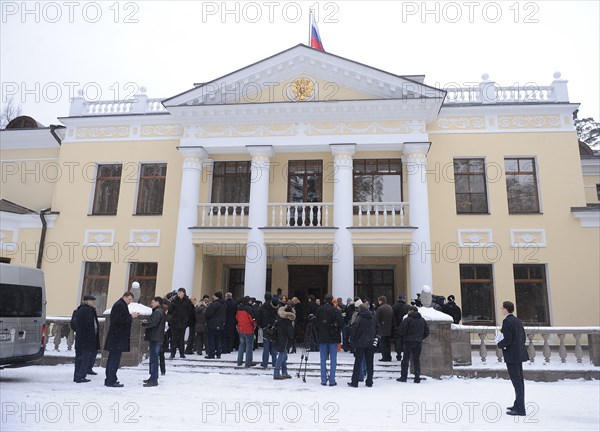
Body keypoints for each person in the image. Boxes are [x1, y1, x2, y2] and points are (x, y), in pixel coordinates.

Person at [497, 300, 529, 416]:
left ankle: (520, 409)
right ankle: (518, 404)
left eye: (502, 308)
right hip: (519, 354)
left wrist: (499, 344)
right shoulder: (517, 320)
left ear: (505, 309)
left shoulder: (507, 321)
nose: (501, 310)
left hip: (512, 355)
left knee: (516, 382)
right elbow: (523, 337)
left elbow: (507, 340)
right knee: (519, 381)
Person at [104, 292, 139, 387]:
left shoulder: (120, 304)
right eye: (129, 299)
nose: (130, 301)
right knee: (114, 360)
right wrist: (130, 316)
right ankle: (110, 380)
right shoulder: (120, 305)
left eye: (131, 299)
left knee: (113, 359)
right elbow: (118, 320)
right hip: (117, 338)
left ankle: (111, 379)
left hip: (117, 338)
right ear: (124, 297)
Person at [348, 301, 378, 387]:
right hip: (370, 342)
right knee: (370, 363)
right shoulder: (373, 318)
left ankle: (355, 381)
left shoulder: (359, 318)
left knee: (358, 362)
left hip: (360, 343)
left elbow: (354, 331)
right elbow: (377, 329)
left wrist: (352, 342)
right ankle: (369, 381)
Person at [316, 293, 344, 386]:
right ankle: (332, 380)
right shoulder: (335, 311)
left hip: (323, 337)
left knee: (323, 359)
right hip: (333, 337)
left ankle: (323, 379)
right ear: (332, 300)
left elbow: (316, 324)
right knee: (333, 359)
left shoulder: (320, 310)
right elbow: (341, 323)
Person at [397, 305, 429, 383]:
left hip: (408, 342)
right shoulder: (422, 320)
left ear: (411, 311)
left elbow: (401, 331)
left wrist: (405, 337)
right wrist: (420, 338)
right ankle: (417, 377)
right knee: (416, 360)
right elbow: (426, 332)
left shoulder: (407, 320)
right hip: (418, 342)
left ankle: (404, 376)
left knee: (405, 360)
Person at [73, 294, 100, 383]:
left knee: (81, 358)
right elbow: (88, 325)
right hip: (86, 339)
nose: (93, 302)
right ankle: (80, 376)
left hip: (82, 339)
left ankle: (78, 376)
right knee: (83, 358)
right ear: (88, 301)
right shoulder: (86, 310)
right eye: (92, 301)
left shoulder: (82, 310)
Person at [142, 296, 165, 387]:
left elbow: (153, 323)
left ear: (157, 302)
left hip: (155, 337)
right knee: (153, 358)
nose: (151, 304)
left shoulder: (157, 312)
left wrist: (145, 323)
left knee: (154, 358)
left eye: (153, 302)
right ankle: (152, 377)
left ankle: (154, 379)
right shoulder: (159, 311)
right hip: (156, 337)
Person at [169, 287, 194, 359]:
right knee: (173, 338)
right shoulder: (174, 300)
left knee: (181, 338)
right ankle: (172, 354)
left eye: (180, 292)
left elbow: (190, 311)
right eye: (178, 292)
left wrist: (186, 319)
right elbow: (171, 310)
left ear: (183, 293)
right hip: (175, 321)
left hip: (183, 322)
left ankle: (182, 353)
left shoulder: (187, 301)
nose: (179, 293)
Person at [273, 304, 295, 380]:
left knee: (283, 355)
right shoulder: (288, 321)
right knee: (282, 355)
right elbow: (290, 334)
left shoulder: (279, 317)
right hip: (285, 339)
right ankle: (277, 372)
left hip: (279, 338)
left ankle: (284, 372)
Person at [257, 292, 279, 368]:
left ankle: (265, 363)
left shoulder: (262, 307)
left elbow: (259, 318)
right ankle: (274, 362)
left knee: (266, 347)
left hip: (265, 328)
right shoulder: (275, 306)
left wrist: (261, 325)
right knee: (274, 346)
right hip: (274, 328)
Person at [236, 296, 257, 367]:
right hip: (249, 329)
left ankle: (239, 361)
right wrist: (254, 325)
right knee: (249, 346)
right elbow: (252, 319)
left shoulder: (239, 309)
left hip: (241, 328)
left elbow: (237, 318)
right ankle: (248, 362)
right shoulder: (250, 309)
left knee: (241, 345)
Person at [205, 291, 226, 359]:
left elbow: (208, 313)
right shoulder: (224, 304)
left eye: (214, 296)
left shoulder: (214, 304)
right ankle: (218, 353)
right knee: (218, 339)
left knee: (211, 339)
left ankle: (211, 353)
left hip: (213, 324)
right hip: (220, 324)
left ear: (216, 296)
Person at [375, 296, 393, 362]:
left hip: (382, 329)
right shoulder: (390, 307)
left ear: (381, 301)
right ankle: (388, 356)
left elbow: (376, 319)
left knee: (382, 344)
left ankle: (384, 357)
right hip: (389, 329)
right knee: (388, 344)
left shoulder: (380, 309)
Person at [392, 295, 410, 360]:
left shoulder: (394, 306)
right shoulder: (407, 307)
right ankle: (405, 354)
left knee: (398, 341)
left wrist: (394, 325)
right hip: (405, 325)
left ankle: (398, 354)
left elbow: (393, 317)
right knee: (405, 340)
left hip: (397, 325)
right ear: (404, 299)